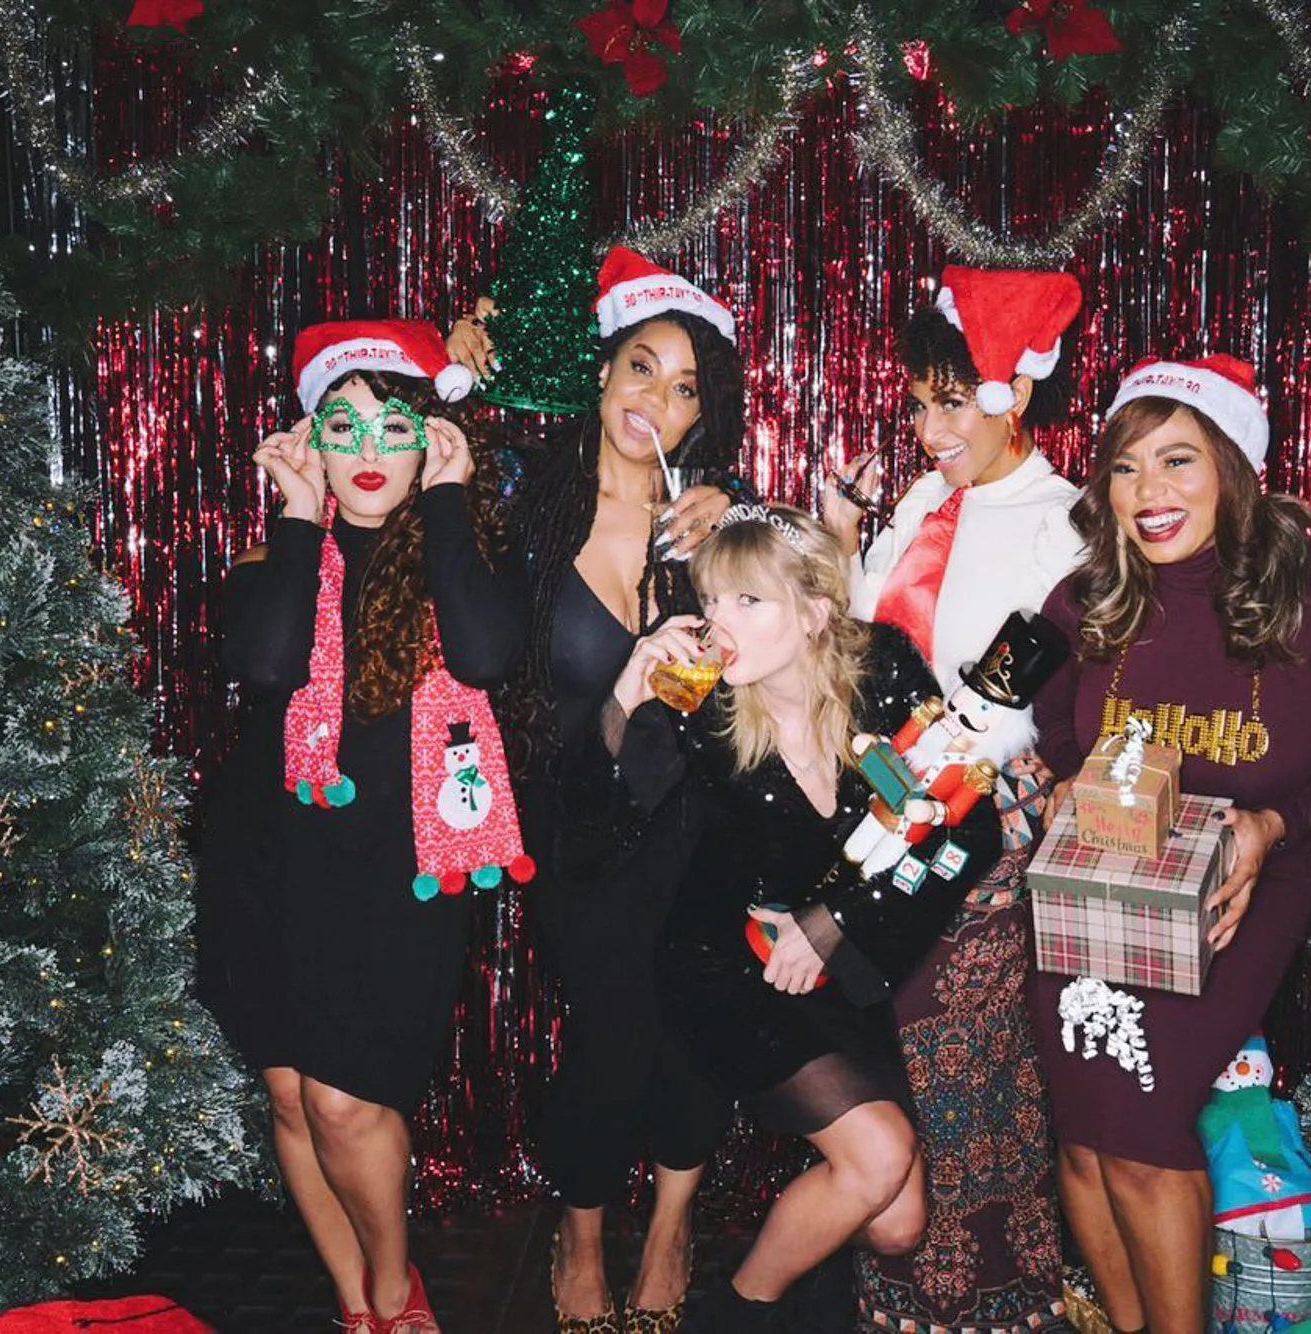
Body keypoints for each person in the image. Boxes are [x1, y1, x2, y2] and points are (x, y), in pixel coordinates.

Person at [1025, 357, 1311, 1334]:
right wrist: (1066, 779)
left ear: (1235, 468)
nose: (1147, 493)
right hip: (1097, 882)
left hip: (1245, 881)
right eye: (1124, 467)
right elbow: (1049, 724)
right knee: (1081, 1139)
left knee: (1145, 1129)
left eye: (1176, 461)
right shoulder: (1081, 600)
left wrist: (1271, 824)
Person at [556, 504, 1018, 1333]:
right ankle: (737, 1316)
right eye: (711, 601)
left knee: (897, 1219)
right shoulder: (698, 704)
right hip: (724, 970)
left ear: (813, 613)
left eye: (747, 602)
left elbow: (967, 827)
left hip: (840, 958)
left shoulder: (883, 670)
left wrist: (832, 923)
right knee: (876, 1157)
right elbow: (592, 835)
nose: (716, 625)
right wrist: (624, 694)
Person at [196, 320, 526, 1334]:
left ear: (433, 439)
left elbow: (479, 656)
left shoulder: (460, 553)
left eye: (396, 427)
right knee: (292, 1098)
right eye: (344, 429)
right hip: (266, 865)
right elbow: (264, 664)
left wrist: (447, 501)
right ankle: (353, 1301)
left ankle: (394, 1282)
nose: (370, 451)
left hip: (396, 873)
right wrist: (299, 518)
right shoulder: (277, 553)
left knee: (345, 1100)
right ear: (312, 444)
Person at [446, 248, 747, 1333]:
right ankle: (579, 1237)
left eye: (682, 389)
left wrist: (738, 544)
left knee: (694, 1033)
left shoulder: (717, 513)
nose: (653, 401)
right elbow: (436, 492)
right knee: (613, 1029)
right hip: (580, 823)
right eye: (638, 367)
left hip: (705, 825)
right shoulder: (526, 492)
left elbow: (779, 653)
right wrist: (460, 367)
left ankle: (668, 1229)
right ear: (601, 369)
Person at [821, 266, 1086, 1331]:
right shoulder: (930, 498)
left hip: (973, 830)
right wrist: (841, 544)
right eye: (918, 401)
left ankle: (990, 1297)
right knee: (899, 1059)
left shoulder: (1060, 527)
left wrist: (899, 782)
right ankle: (899, 1293)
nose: (927, 426)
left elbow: (1005, 711)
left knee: (961, 1063)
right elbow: (863, 642)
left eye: (948, 400)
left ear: (1012, 393)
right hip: (886, 810)